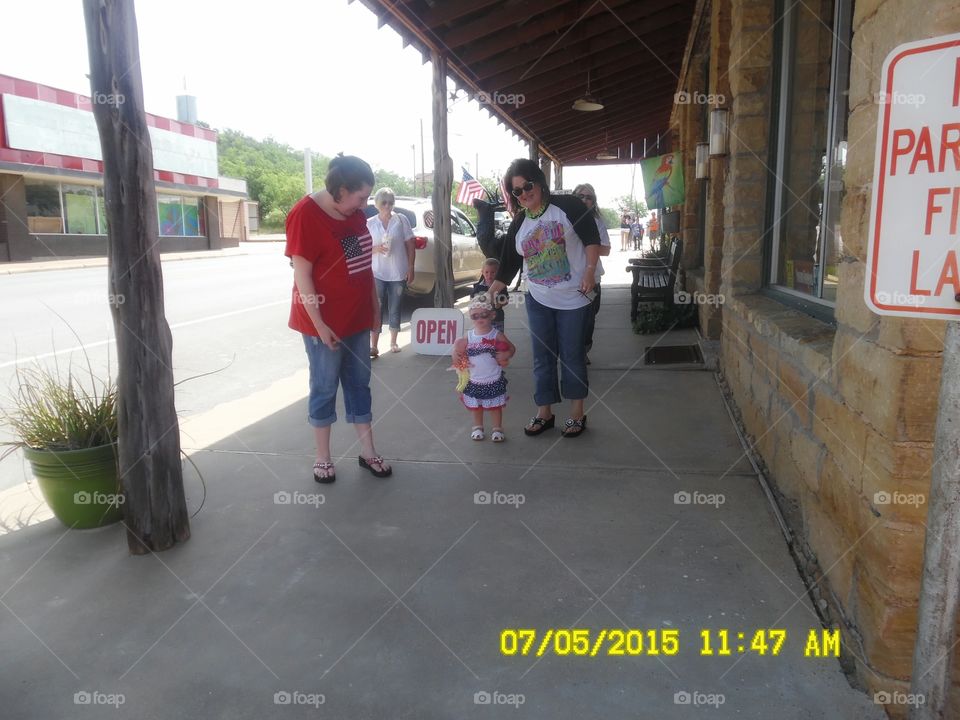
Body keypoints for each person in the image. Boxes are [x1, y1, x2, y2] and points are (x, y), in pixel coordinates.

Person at [285, 154, 392, 483]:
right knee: (324, 387)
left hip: (357, 319)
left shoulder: (354, 214)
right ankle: (323, 457)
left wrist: (374, 309)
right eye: (361, 197)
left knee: (359, 385)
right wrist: (320, 326)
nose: (364, 206)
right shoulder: (305, 215)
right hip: (324, 324)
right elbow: (302, 275)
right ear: (341, 190)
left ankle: (368, 452)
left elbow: (360, 266)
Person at [488, 158, 602, 439]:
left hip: (574, 298)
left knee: (572, 356)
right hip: (538, 298)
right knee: (542, 357)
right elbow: (509, 263)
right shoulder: (520, 222)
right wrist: (492, 291)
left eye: (527, 186)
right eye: (517, 191)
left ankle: (577, 414)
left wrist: (589, 271)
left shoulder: (568, 206)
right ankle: (545, 412)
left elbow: (591, 239)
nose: (524, 193)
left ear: (539, 182)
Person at [452, 296, 515, 442]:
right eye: (475, 316)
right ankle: (477, 427)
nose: (479, 318)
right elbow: (457, 351)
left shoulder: (496, 334)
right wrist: (456, 355)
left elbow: (512, 348)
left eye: (484, 315)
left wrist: (506, 354)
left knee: (495, 406)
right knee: (476, 406)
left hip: (493, 378)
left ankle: (497, 428)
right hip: (474, 379)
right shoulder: (468, 336)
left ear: (492, 315)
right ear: (470, 317)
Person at [368, 187, 415, 357]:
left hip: (398, 272)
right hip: (377, 272)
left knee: (395, 307)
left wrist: (411, 267)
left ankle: (393, 342)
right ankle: (374, 345)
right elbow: (362, 247)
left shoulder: (401, 220)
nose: (387, 206)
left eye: (390, 202)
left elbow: (410, 244)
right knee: (377, 307)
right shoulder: (370, 223)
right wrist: (375, 249)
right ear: (377, 204)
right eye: (383, 203)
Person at [572, 183, 611, 365]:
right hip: (569, 279)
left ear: (593, 202)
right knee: (571, 320)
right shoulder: (564, 219)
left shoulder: (597, 222)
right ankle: (572, 353)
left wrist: (588, 244)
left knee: (589, 320)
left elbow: (606, 250)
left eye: (589, 197)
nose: (584, 200)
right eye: (580, 196)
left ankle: (583, 350)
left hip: (592, 279)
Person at [471, 257, 509, 334]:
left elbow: (506, 299)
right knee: (483, 336)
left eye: (493, 272)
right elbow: (472, 298)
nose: (489, 275)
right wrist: (477, 302)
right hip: (482, 319)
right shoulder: (479, 286)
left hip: (497, 318)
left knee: (498, 336)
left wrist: (500, 303)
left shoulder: (501, 286)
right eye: (486, 272)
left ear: (498, 273)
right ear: (482, 272)